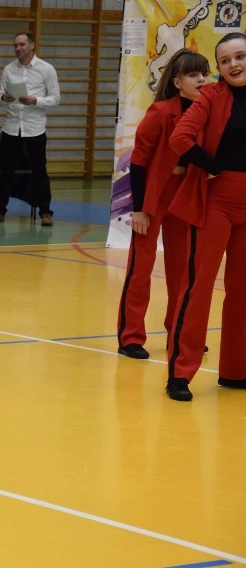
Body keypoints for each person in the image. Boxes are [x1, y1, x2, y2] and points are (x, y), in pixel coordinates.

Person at [165, 32, 246, 401]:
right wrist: (212, 166)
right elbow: (180, 138)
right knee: (198, 289)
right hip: (216, 203)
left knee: (243, 293)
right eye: (226, 61)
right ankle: (179, 374)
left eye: (240, 57)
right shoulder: (211, 96)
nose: (234, 65)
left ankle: (236, 371)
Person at [117, 49, 210, 360]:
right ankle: (131, 336)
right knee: (140, 269)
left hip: (186, 195)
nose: (202, 79)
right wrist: (140, 208)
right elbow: (140, 163)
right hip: (156, 194)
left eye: (204, 73)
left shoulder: (207, 112)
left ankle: (179, 332)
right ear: (177, 81)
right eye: (193, 74)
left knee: (182, 270)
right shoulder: (160, 112)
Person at [0, 32, 60, 226]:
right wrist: (4, 98)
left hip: (35, 128)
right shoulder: (9, 69)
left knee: (39, 171)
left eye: (22, 44)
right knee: (6, 171)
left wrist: (37, 100)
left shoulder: (46, 69)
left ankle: (45, 212)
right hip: (11, 127)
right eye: (16, 45)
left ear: (32, 45)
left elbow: (55, 99)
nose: (18, 48)